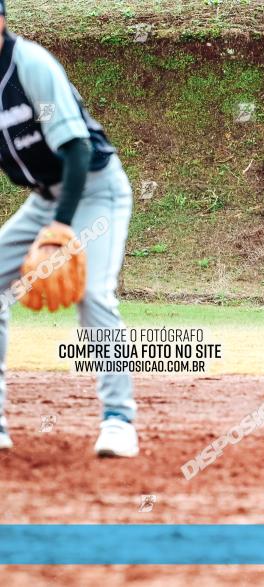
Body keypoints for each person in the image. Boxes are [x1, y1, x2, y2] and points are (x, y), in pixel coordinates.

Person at [0, 2, 138, 457]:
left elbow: (77, 150)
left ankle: (119, 421)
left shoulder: (31, 66)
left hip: (96, 189)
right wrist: (50, 215)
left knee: (93, 294)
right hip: (42, 197)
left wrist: (61, 228)